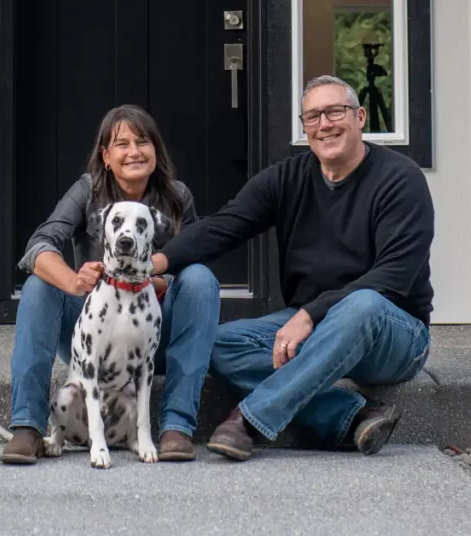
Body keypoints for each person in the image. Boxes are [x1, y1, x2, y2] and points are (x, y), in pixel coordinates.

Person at [150, 75, 435, 460]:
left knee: (362, 305)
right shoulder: (289, 178)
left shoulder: (400, 180)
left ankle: (249, 421)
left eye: (335, 111)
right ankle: (351, 414)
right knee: (214, 344)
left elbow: (393, 278)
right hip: (310, 321)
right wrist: (156, 262)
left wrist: (310, 313)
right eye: (313, 116)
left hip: (394, 333)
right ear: (304, 127)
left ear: (360, 117)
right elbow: (225, 225)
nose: (325, 124)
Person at [1, 104, 221, 464]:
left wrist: (162, 279)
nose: (134, 151)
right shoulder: (88, 192)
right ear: (105, 156)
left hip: (152, 330)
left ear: (156, 151)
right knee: (39, 285)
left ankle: (176, 426)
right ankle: (26, 425)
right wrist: (73, 280)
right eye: (122, 144)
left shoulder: (176, 196)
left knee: (200, 279)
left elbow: (194, 253)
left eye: (142, 141)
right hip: (92, 327)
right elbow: (38, 246)